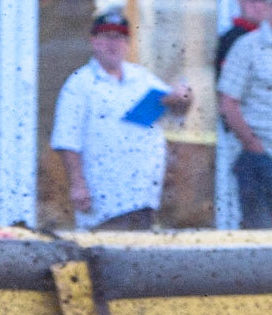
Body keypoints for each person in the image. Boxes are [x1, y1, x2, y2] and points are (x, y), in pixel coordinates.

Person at [51, 8, 192, 231]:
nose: (113, 44)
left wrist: (183, 96)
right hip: (104, 201)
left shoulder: (141, 78)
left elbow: (177, 111)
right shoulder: (80, 83)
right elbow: (66, 139)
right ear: (93, 41)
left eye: (120, 37)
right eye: (106, 36)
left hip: (144, 197)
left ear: (127, 43)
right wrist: (78, 185)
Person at [219, 0, 272, 230]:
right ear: (267, 8)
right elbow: (228, 103)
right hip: (259, 159)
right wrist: (254, 147)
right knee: (260, 240)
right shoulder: (246, 46)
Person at [219, 0, 268, 74]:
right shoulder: (232, 38)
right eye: (253, 1)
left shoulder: (270, 36)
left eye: (263, 1)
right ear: (240, 2)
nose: (258, 6)